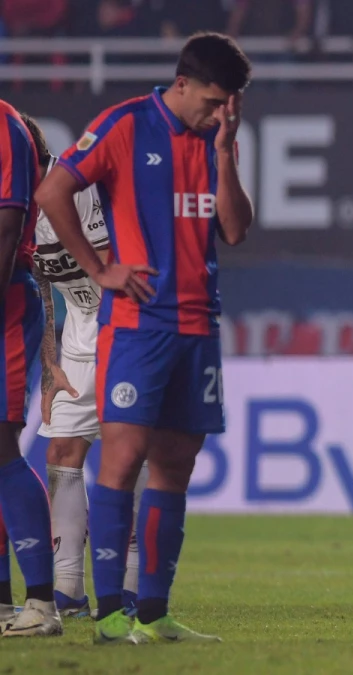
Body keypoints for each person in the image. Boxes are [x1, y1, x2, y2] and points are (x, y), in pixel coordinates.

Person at [35, 31, 253, 645]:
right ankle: (109, 617)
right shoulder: (126, 125)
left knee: (176, 468)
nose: (220, 113)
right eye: (213, 101)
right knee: (123, 461)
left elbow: (234, 230)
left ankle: (154, 614)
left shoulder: (216, 139)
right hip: (138, 325)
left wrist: (229, 149)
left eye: (229, 105)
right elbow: (54, 192)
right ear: (182, 83)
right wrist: (99, 269)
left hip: (198, 324)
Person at [23, 113, 149, 621]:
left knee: (126, 451)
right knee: (64, 448)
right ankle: (69, 587)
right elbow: (44, 285)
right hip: (79, 326)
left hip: (122, 322)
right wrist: (50, 363)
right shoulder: (18, 202)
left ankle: (130, 586)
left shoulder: (72, 186)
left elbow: (107, 255)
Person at [0, 101, 60, 639]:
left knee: (1, 446)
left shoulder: (5, 127)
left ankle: (42, 602)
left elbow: (7, 230)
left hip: (6, 310)